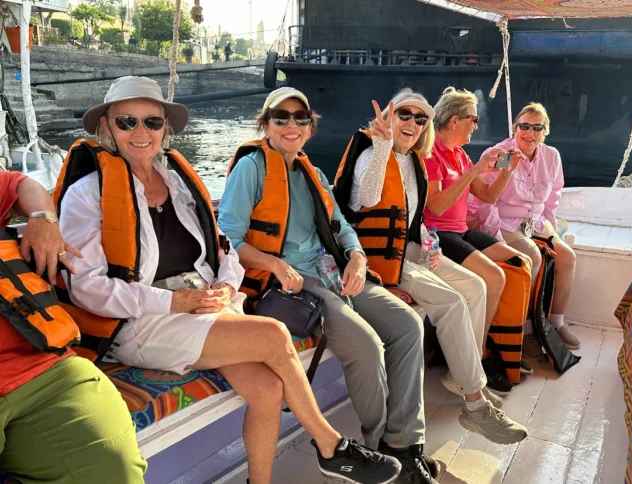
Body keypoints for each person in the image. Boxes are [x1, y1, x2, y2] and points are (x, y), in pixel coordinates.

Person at [57, 76, 402, 484]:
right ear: (107, 129)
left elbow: (224, 250)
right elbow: (87, 288)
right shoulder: (87, 193)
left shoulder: (177, 183)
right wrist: (175, 303)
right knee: (275, 336)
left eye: (151, 122)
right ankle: (331, 447)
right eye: (126, 122)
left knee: (268, 390)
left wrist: (226, 283)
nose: (140, 133)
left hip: (203, 307)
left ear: (164, 129)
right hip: (141, 322)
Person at [218, 86, 436, 483]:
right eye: (280, 117)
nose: (291, 124)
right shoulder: (252, 168)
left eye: (300, 118)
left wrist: (357, 256)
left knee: (408, 325)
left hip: (336, 274)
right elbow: (227, 239)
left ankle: (403, 445)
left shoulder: (311, 173)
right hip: (292, 287)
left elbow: (343, 227)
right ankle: (377, 452)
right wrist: (273, 263)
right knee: (367, 346)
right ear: (265, 125)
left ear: (309, 127)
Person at [333, 87, 527, 444]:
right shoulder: (371, 155)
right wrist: (381, 146)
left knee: (477, 287)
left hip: (412, 249)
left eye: (420, 118)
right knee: (451, 302)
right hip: (379, 259)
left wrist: (430, 241)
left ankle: (466, 376)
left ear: (427, 126)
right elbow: (367, 199)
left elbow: (413, 217)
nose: (412, 123)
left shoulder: (413, 162)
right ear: (389, 118)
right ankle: (475, 404)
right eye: (403, 115)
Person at [0, 172, 147, 483]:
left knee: (115, 467)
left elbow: (20, 184)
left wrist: (44, 219)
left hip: (44, 368)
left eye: (152, 123)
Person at [424, 87, 533, 375]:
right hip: (438, 235)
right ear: (454, 121)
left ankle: (504, 341)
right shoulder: (430, 153)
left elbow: (486, 196)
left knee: (519, 263)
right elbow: (435, 207)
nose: (477, 124)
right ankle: (478, 353)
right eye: (474, 119)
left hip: (461, 230)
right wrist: (477, 168)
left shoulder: (459, 155)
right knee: (494, 276)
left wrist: (506, 172)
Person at [469, 102, 580, 356]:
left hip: (537, 222)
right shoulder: (499, 154)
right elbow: (485, 202)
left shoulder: (552, 156)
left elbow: (553, 196)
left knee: (567, 257)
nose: (529, 133)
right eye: (524, 126)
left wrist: (552, 228)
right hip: (505, 223)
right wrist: (495, 236)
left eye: (537, 127)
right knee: (532, 255)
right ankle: (527, 329)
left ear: (545, 131)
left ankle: (555, 323)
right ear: (514, 127)